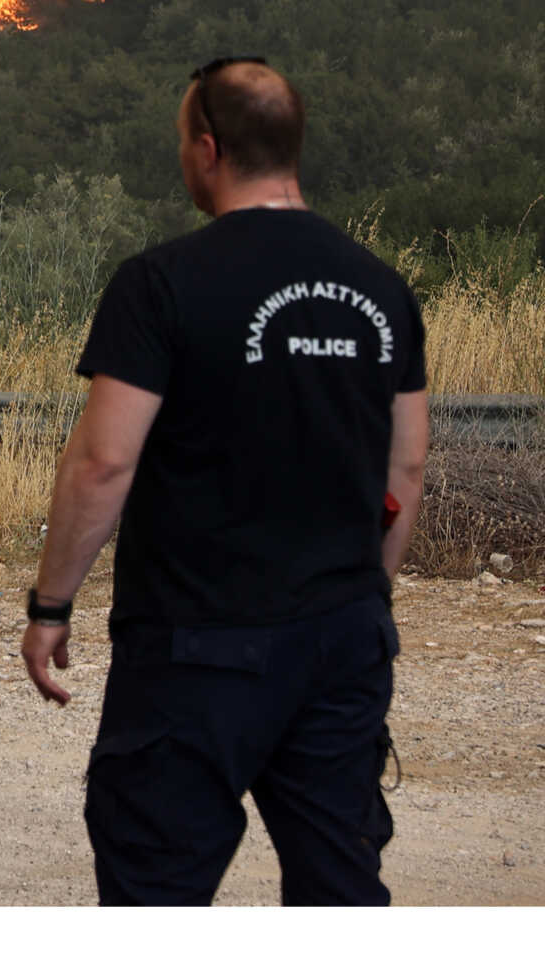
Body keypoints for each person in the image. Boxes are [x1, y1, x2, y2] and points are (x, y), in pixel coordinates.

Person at [22, 57, 429, 906]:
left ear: (208, 150)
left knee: (156, 890)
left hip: (196, 652)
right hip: (340, 645)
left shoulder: (160, 283)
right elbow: (407, 465)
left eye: (183, 143)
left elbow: (104, 463)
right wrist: (358, 598)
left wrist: (52, 605)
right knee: (339, 886)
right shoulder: (382, 291)